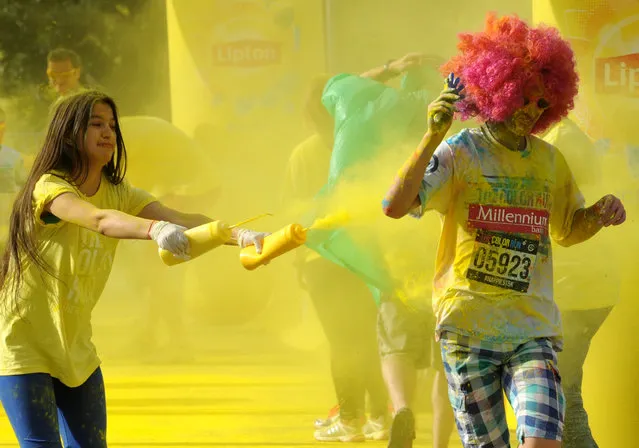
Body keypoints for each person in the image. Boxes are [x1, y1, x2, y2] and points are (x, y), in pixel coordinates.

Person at [382, 14, 626, 448]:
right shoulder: (460, 151)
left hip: (532, 329)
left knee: (542, 441)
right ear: (498, 91)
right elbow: (395, 205)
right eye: (523, 98)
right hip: (466, 328)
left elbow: (567, 231)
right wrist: (430, 136)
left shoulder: (550, 161)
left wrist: (598, 216)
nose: (531, 111)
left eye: (540, 104)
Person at [0, 91, 267, 447]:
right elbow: (98, 220)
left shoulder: (119, 191)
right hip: (23, 345)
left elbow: (180, 218)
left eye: (111, 125)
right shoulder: (48, 187)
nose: (108, 132)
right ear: (67, 134)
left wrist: (237, 234)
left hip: (76, 347)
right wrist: (153, 230)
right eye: (95, 124)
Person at [304, 54, 456, 447]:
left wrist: (390, 67)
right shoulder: (436, 117)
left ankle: (401, 407)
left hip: (391, 254)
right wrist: (442, 68)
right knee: (445, 356)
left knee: (394, 342)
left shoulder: (352, 107)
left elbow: (348, 79)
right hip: (440, 256)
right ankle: (440, 441)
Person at [283, 75, 390, 442]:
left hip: (323, 260)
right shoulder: (366, 147)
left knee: (344, 342)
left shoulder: (303, 153)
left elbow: (298, 215)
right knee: (370, 336)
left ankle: (351, 419)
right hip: (366, 257)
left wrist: (298, 264)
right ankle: (379, 415)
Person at [542, 118, 621, 448]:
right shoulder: (571, 136)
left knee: (564, 394)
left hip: (573, 288)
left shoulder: (558, 139)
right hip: (588, 287)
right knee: (562, 388)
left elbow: (559, 216)